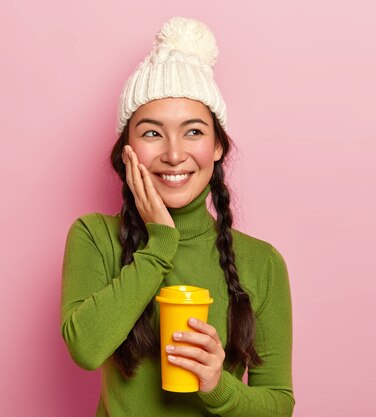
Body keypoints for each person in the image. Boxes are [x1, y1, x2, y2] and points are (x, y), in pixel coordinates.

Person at [60, 16, 295, 417]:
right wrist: (160, 243)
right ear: (126, 148)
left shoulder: (262, 262)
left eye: (193, 132)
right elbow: (86, 349)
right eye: (152, 133)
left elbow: (278, 404)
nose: (173, 154)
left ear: (219, 145)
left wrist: (219, 387)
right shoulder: (94, 236)